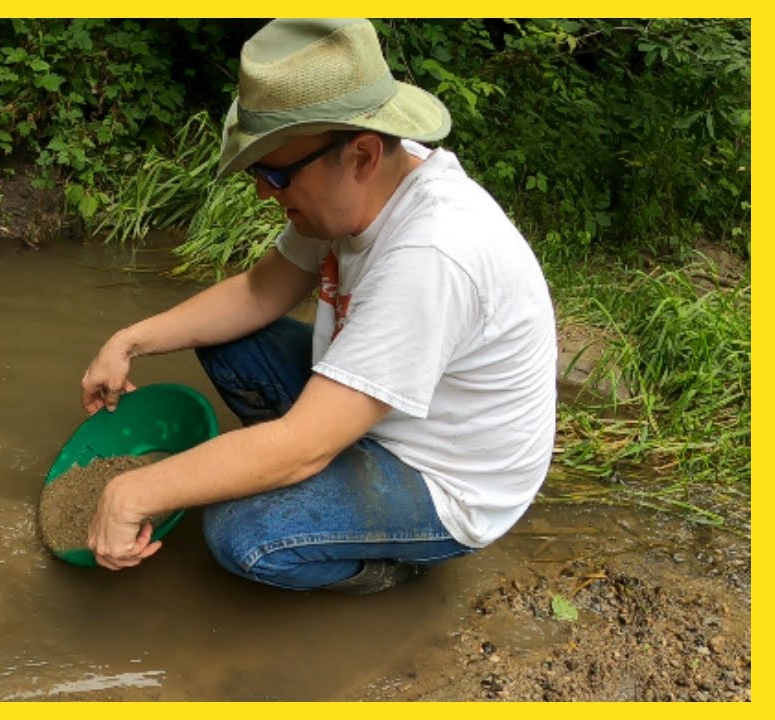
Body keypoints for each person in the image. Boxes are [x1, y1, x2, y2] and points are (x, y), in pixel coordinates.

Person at [79, 18, 557, 594]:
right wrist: (129, 340)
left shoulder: (433, 253)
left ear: (361, 154)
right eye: (260, 171)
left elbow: (303, 447)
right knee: (229, 342)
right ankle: (309, 475)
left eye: (276, 173)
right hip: (378, 416)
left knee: (243, 531)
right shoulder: (354, 194)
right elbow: (259, 293)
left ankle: (386, 567)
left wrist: (132, 491)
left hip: (446, 480)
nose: (263, 192)